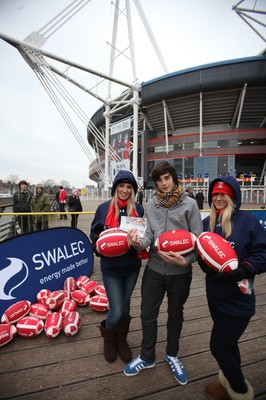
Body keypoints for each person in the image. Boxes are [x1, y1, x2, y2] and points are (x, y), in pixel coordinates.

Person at [124, 161, 203, 385]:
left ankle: (172, 354)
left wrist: (185, 259)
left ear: (174, 178)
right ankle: (147, 356)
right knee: (147, 314)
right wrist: (138, 243)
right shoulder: (151, 205)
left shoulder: (189, 205)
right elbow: (148, 237)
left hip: (180, 272)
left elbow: (199, 242)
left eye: (167, 178)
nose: (164, 183)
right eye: (159, 180)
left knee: (175, 314)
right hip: (154, 270)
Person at [198, 176, 266, 400]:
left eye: (223, 194)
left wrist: (245, 269)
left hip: (239, 301)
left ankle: (239, 390)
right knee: (229, 344)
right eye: (215, 194)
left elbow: (262, 254)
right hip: (215, 298)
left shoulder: (247, 221)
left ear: (232, 196)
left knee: (218, 348)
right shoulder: (208, 221)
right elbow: (204, 252)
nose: (218, 198)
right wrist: (204, 263)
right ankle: (228, 380)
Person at [90, 170, 144, 364]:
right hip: (111, 267)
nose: (124, 190)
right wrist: (98, 247)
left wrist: (139, 242)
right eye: (121, 185)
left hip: (131, 266)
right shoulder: (103, 209)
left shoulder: (138, 209)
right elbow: (94, 235)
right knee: (117, 310)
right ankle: (109, 339)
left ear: (133, 190)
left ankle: (121, 339)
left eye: (129, 187)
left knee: (126, 305)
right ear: (115, 188)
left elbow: (143, 238)